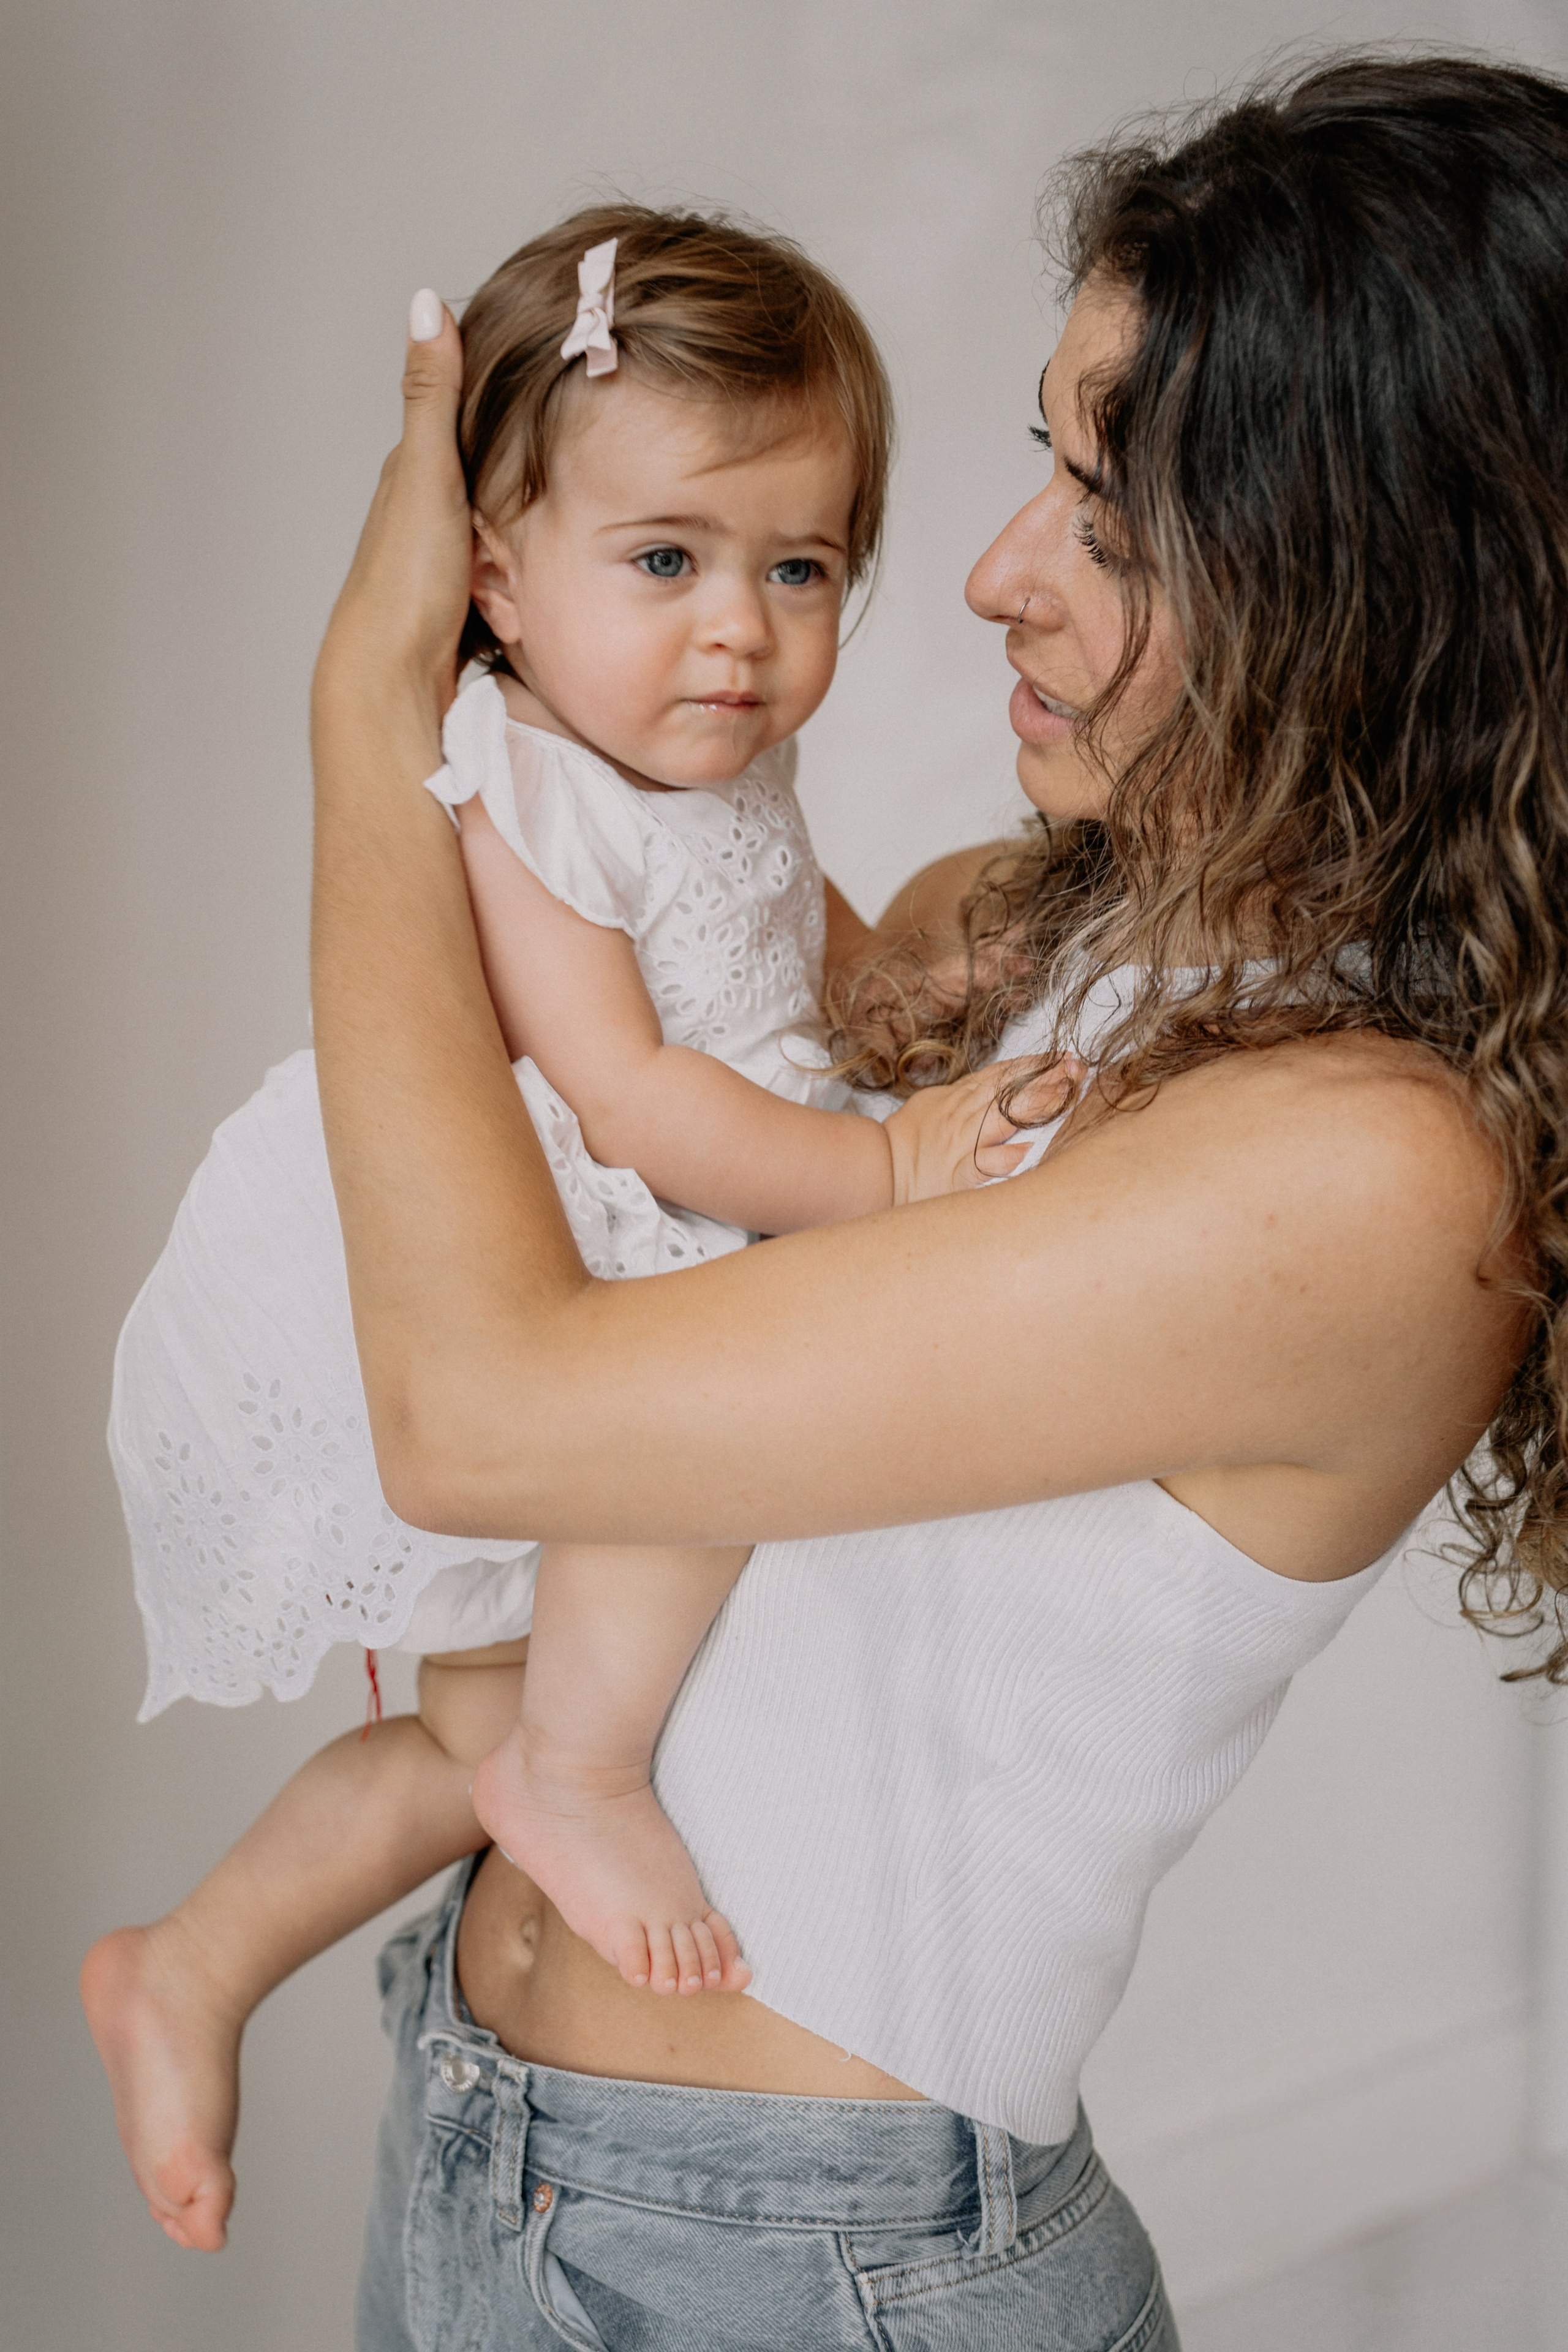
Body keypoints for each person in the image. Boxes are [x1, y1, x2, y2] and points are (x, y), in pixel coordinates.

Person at [126, 50, 1568, 2349]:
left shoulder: (1373, 1170)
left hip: (805, 2270)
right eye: (1041, 471)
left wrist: (370, 711)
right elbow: (670, 1037)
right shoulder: (1073, 924)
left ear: (1372, 584)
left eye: (1113, 520)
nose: (992, 579)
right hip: (489, 2140)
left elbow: (490, 1407)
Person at [83, 204, 1066, 2258]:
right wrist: (885, 1176)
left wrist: (916, 1003)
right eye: (667, 561)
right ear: (496, 584)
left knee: (459, 1762)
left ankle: (189, 1958)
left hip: (646, 1220)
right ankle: (585, 1777)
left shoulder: (718, 764)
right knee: (651, 1507)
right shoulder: (513, 787)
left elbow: (803, 970)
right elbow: (636, 1100)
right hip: (543, 1241)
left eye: (798, 570)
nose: (741, 630)